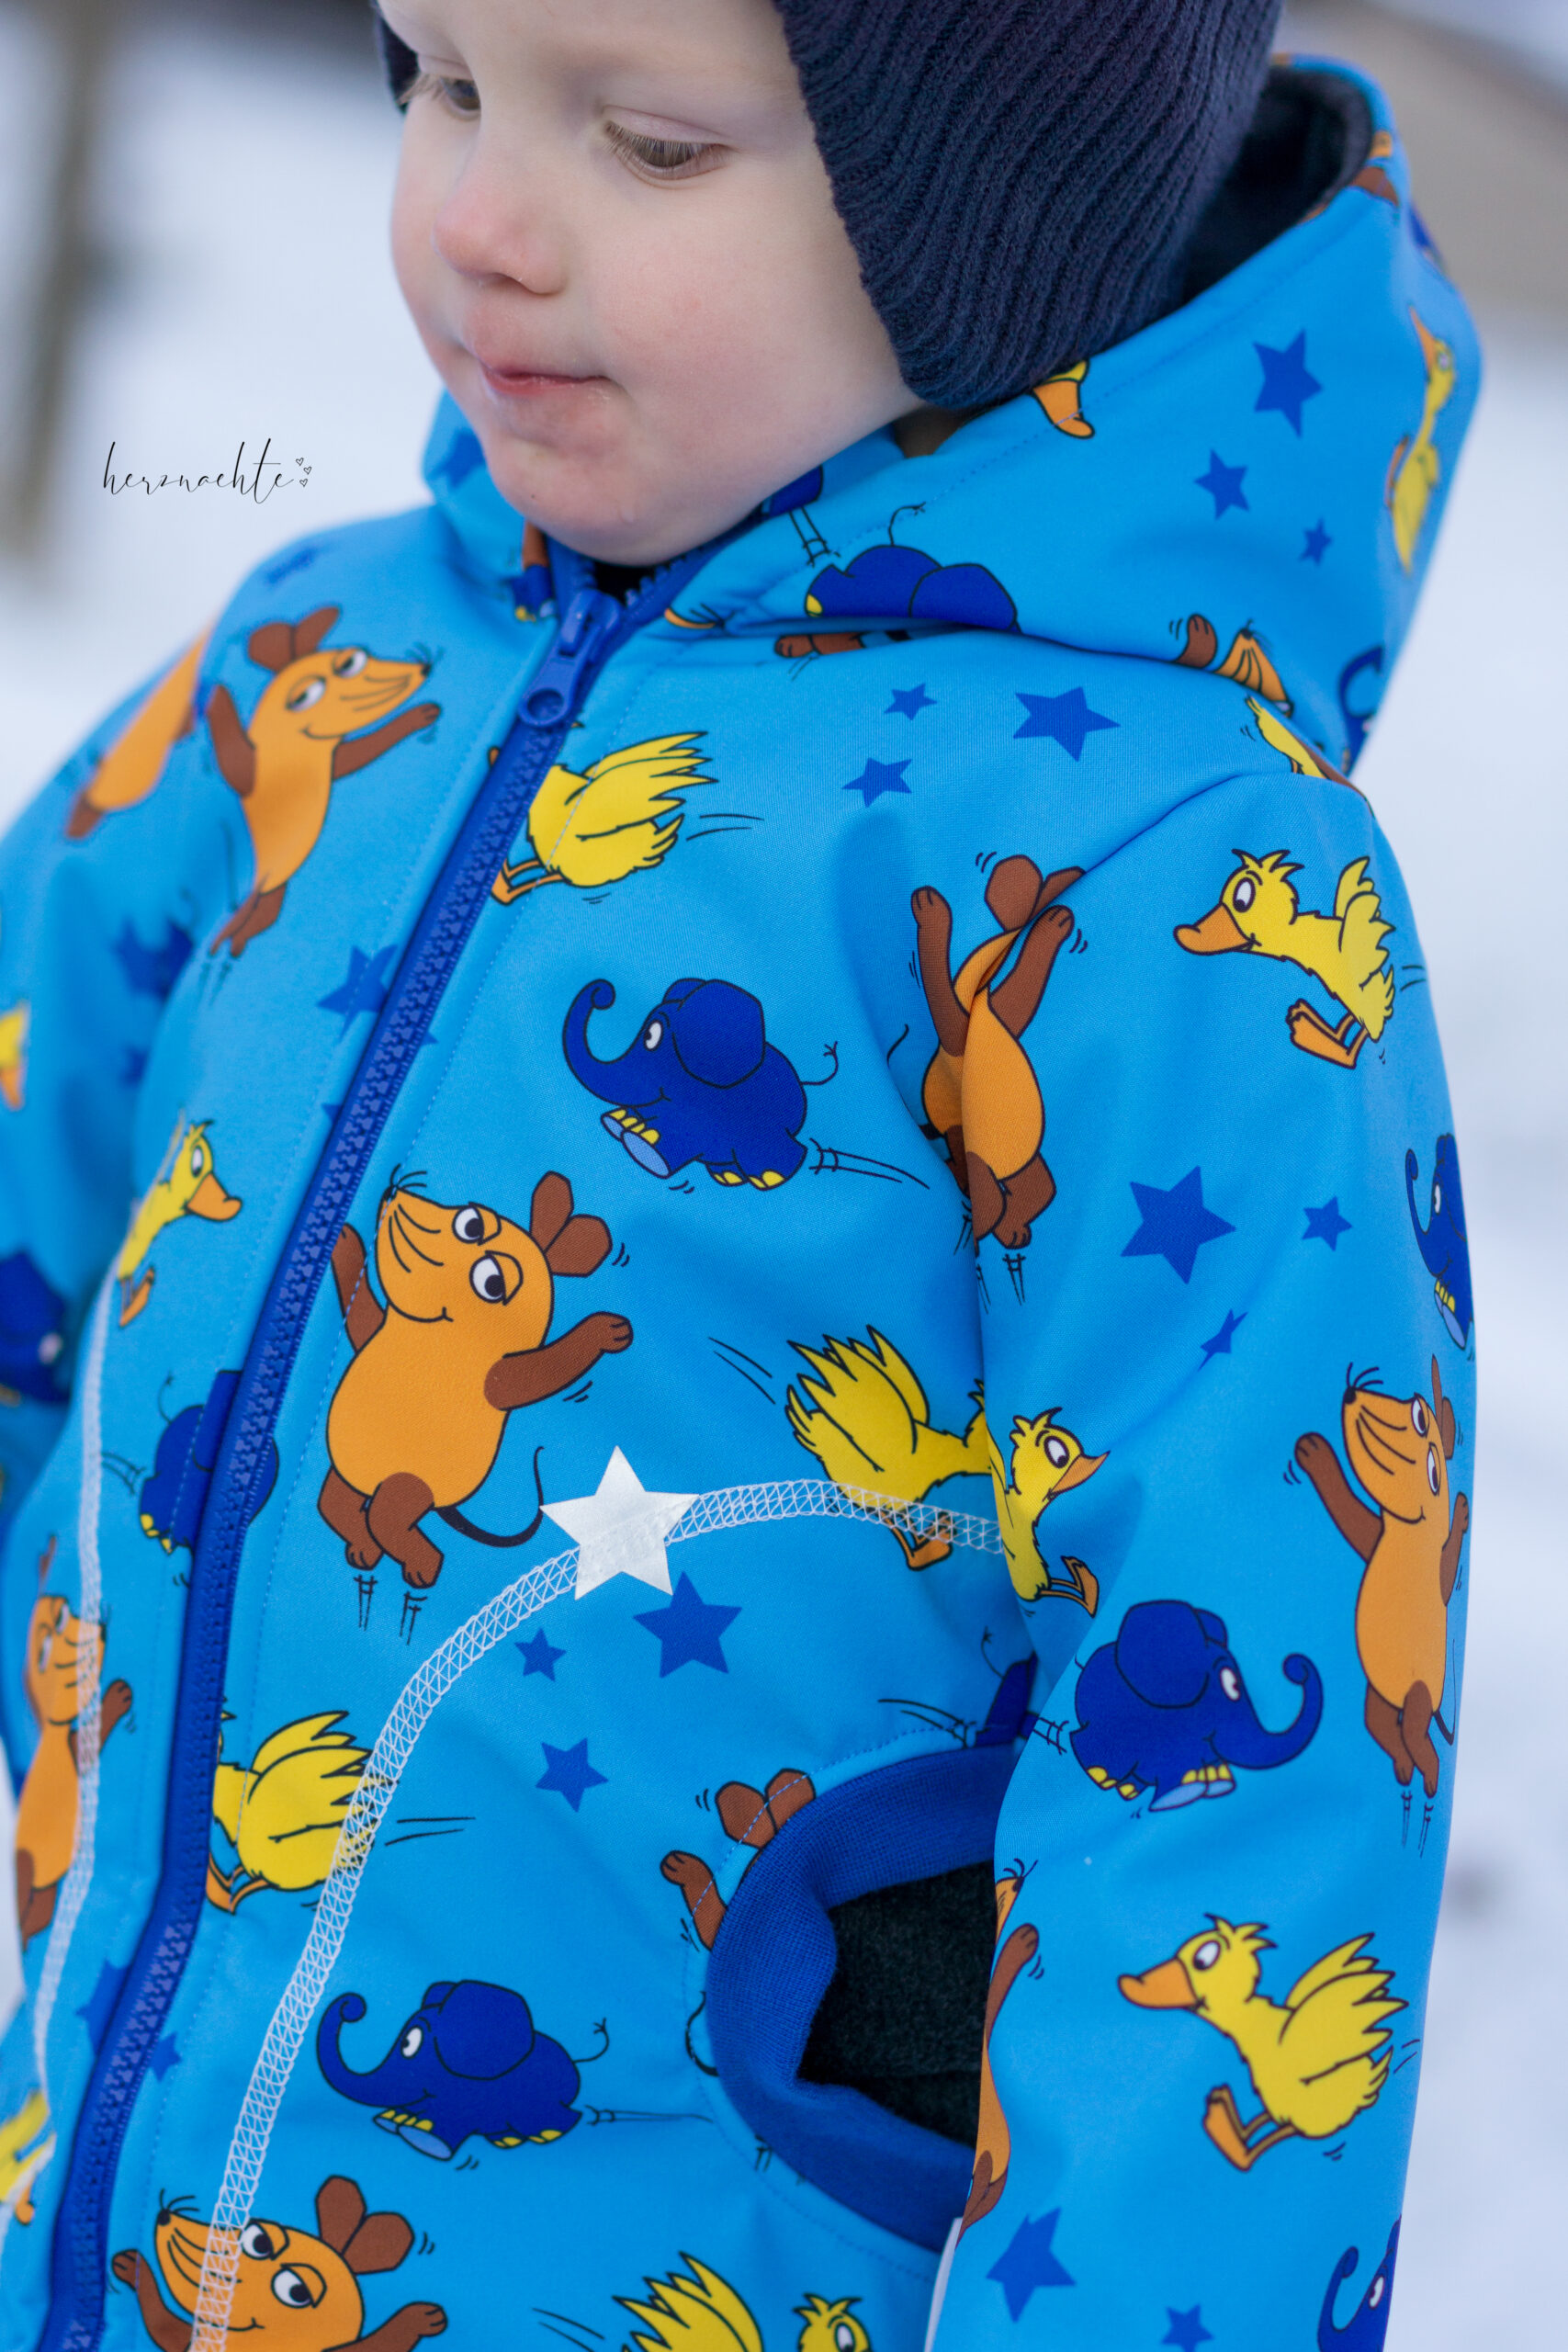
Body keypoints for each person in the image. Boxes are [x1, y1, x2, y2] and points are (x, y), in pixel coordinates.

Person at [0, 0, 1478, 2344]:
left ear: (990, 223)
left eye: (653, 141)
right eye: (436, 78)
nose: (482, 221)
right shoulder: (315, 681)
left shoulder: (1157, 885)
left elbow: (1234, 1776)